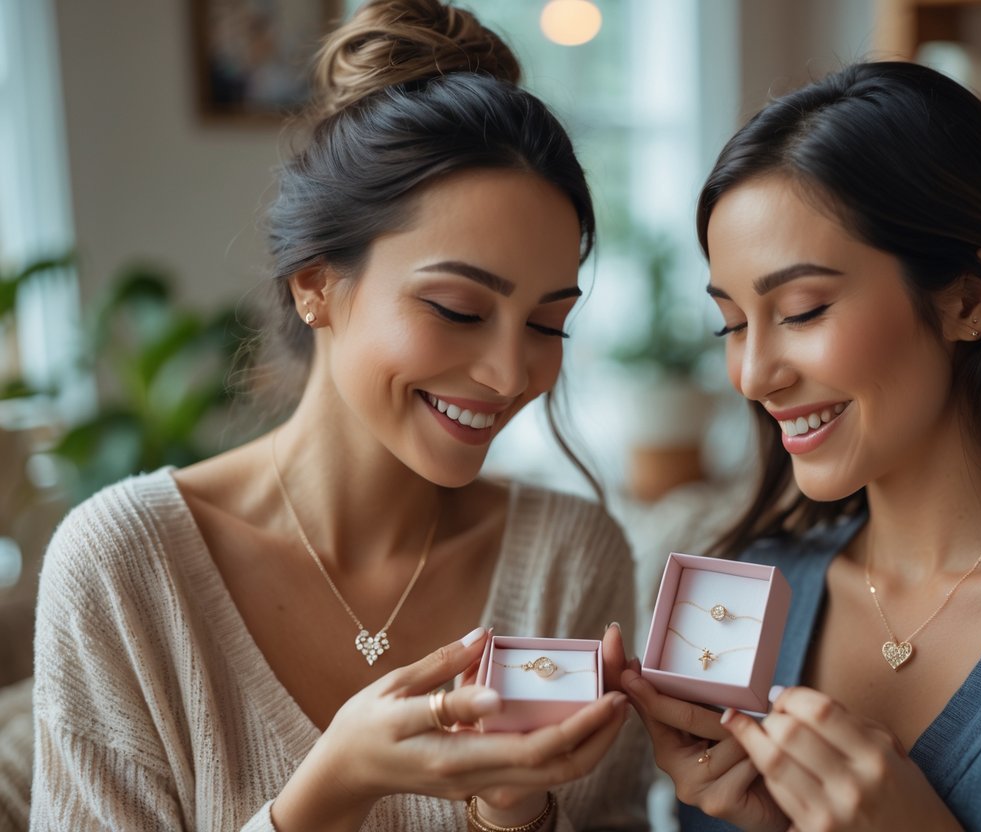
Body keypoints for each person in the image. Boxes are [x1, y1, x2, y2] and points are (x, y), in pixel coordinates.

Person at [30, 2, 650, 830]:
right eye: (458, 309)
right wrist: (329, 790)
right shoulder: (125, 570)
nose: (510, 373)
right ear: (315, 284)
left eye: (546, 324)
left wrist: (514, 813)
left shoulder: (569, 562)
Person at [616, 61, 981, 831]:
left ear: (966, 298)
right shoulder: (738, 598)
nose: (753, 373)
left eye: (800, 310)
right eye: (730, 324)